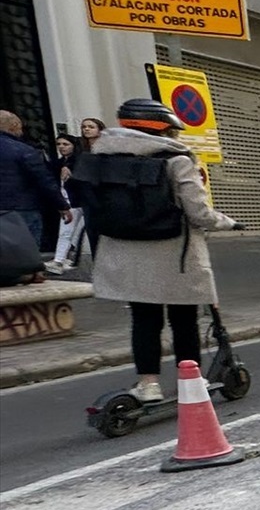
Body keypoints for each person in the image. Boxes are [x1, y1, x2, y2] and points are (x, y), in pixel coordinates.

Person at [86, 98, 239, 403]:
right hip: (174, 253)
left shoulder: (100, 157)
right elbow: (198, 213)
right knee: (184, 319)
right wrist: (230, 223)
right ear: (164, 130)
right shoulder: (177, 159)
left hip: (123, 252)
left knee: (144, 319)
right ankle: (190, 382)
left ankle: (148, 385)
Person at [1, 109, 62, 252]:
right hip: (23, 207)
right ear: (14, 126)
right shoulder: (24, 150)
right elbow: (43, 179)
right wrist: (62, 205)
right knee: (27, 253)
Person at [49, 126, 98, 272]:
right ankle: (62, 259)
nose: (61, 147)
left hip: (79, 201)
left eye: (65, 144)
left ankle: (63, 259)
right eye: (59, 144)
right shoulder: (58, 163)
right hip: (69, 200)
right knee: (68, 230)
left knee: (76, 231)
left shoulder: (80, 161)